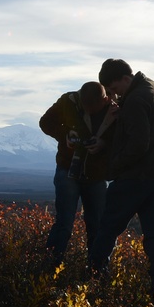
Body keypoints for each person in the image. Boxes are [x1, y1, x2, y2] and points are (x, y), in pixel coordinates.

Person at [87, 59, 154, 303]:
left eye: (114, 89)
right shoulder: (153, 88)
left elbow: (138, 144)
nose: (114, 94)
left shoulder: (137, 100)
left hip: (137, 178)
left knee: (107, 229)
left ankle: (94, 280)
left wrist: (113, 168)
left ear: (123, 79)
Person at [39, 80, 116, 264]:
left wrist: (104, 144)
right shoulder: (69, 101)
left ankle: (96, 271)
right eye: (85, 107)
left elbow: (124, 138)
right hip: (69, 169)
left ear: (104, 100)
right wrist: (64, 134)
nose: (89, 111)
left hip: (96, 175)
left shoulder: (117, 110)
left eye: (93, 108)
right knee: (64, 224)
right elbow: (45, 122)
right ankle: (50, 268)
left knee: (96, 225)